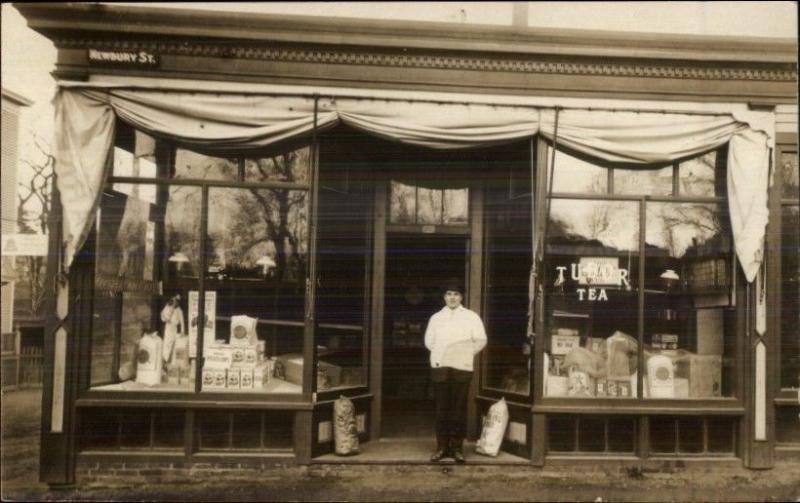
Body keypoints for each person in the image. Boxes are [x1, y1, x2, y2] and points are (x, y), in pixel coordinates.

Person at [424, 277, 487, 463]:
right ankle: (442, 447)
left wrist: (465, 353)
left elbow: (481, 340)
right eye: (449, 294)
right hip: (440, 366)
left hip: (462, 367)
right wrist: (444, 353)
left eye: (456, 294)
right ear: (444, 297)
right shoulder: (436, 318)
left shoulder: (471, 317)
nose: (452, 298)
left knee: (458, 409)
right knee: (441, 409)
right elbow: (429, 342)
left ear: (462, 297)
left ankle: (457, 448)